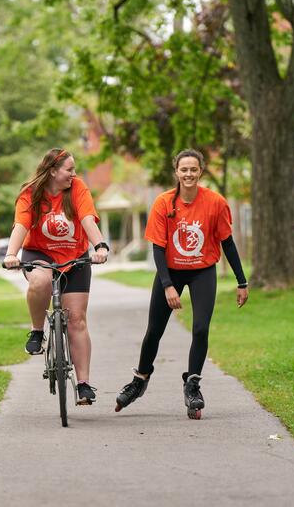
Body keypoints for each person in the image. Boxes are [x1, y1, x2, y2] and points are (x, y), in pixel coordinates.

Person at [114, 148, 249, 419]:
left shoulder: (216, 202)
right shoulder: (164, 203)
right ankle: (140, 379)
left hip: (202, 271)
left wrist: (241, 281)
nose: (189, 174)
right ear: (176, 172)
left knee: (200, 328)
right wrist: (167, 285)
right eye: (184, 169)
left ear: (201, 171)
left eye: (193, 169)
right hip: (170, 272)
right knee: (154, 331)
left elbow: (228, 243)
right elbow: (157, 248)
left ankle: (192, 385)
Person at [3, 148, 109, 405]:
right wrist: (11, 254)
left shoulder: (78, 188)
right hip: (40, 254)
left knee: (77, 320)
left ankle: (83, 384)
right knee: (40, 281)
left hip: (74, 256)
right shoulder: (30, 193)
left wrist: (100, 246)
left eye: (74, 169)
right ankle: (37, 331)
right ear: (52, 171)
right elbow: (21, 225)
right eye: (69, 169)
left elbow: (86, 219)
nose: (74, 174)